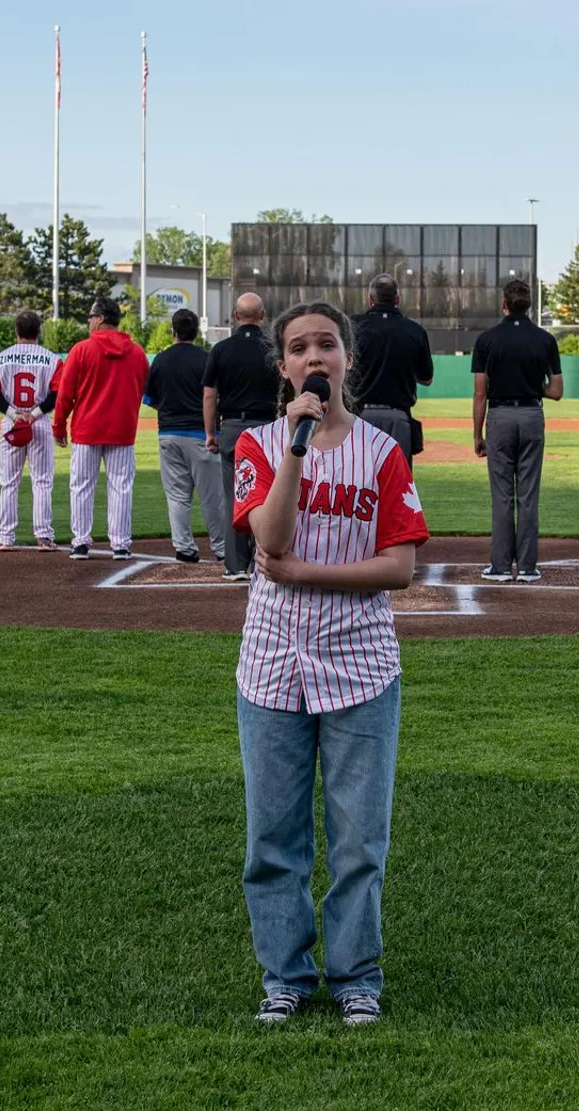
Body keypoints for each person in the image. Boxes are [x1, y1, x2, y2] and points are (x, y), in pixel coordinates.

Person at [231, 300, 428, 1029]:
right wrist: (295, 445)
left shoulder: (382, 451)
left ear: (348, 358)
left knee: (357, 839)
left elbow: (399, 567)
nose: (314, 358)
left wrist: (306, 572)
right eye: (299, 348)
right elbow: (268, 536)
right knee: (272, 838)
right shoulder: (257, 443)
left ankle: (355, 976)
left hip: (360, 665)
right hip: (272, 664)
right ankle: (286, 973)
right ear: (282, 367)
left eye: (327, 345)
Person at [470, 278, 562, 582]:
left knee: (502, 495)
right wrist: (533, 386)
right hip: (532, 414)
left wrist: (476, 434)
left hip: (499, 416)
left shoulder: (487, 340)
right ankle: (527, 566)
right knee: (528, 494)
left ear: (504, 304)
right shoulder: (545, 339)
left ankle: (499, 566)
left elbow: (480, 393)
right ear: (530, 305)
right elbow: (557, 390)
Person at [52, 296, 151, 561]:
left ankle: (81, 542)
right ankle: (120, 544)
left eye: (91, 318)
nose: (89, 322)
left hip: (87, 429)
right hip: (122, 428)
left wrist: (59, 425)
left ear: (101, 318)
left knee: (82, 486)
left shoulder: (81, 350)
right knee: (121, 487)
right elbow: (142, 386)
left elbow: (65, 394)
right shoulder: (137, 352)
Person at [204, 294, 279, 580]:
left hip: (234, 428)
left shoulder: (221, 349)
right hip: (268, 429)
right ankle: (266, 558)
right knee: (271, 496)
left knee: (233, 495)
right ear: (263, 316)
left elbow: (210, 394)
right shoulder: (275, 349)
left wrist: (211, 432)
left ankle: (235, 566)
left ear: (236, 317)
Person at [144, 307, 226, 564]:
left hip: (168, 433)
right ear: (196, 331)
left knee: (178, 496)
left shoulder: (160, 359)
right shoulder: (207, 358)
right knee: (213, 497)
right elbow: (216, 398)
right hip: (203, 434)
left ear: (173, 332)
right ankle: (222, 548)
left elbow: (151, 400)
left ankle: (184, 548)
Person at [0, 310, 61, 551]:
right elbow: (57, 394)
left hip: (12, 422)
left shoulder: (0, 358)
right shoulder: (52, 359)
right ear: (39, 331)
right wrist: (34, 414)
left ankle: (5, 538)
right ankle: (43, 536)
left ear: (16, 331)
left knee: (9, 483)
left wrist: (13, 414)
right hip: (38, 423)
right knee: (42, 481)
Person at [350, 274, 434, 459]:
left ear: (370, 300)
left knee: (360, 479)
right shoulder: (415, 331)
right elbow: (427, 378)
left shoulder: (352, 326)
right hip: (398, 418)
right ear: (398, 300)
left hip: (360, 417)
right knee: (398, 484)